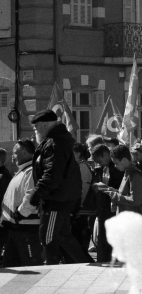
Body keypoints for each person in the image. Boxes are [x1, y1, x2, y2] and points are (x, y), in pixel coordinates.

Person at [29, 109, 89, 265]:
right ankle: (85, 264)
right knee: (63, 236)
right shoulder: (58, 141)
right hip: (60, 198)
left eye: (36, 127)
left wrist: (37, 193)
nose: (35, 131)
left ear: (44, 125)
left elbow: (53, 174)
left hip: (55, 200)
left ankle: (51, 269)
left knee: (48, 237)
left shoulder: (55, 143)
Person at [0, 140, 43, 267]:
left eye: (15, 153)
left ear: (24, 152)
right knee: (10, 265)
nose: (12, 156)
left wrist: (20, 214)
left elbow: (31, 195)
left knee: (31, 264)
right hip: (16, 227)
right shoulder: (23, 171)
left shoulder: (31, 171)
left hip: (25, 228)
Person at [90, 144, 124, 262]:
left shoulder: (116, 168)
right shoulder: (103, 168)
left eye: (99, 161)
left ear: (105, 154)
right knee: (103, 240)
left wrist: (105, 188)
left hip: (113, 209)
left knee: (110, 240)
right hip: (104, 208)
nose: (98, 164)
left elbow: (121, 190)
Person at [103, 145, 142, 217]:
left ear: (124, 160)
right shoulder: (127, 172)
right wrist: (115, 191)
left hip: (134, 222)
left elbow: (136, 200)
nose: (115, 166)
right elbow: (125, 194)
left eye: (116, 163)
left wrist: (115, 196)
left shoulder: (135, 175)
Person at [72, 143, 95, 259]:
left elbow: (83, 190)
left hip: (83, 210)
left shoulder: (82, 167)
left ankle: (84, 258)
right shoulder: (79, 166)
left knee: (80, 238)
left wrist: (77, 206)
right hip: (80, 209)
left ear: (78, 154)